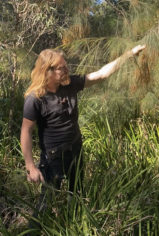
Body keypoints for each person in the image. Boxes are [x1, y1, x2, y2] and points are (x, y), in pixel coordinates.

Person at [20, 45, 145, 231]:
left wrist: (129, 54)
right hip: (53, 157)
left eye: (65, 65)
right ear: (48, 71)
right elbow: (26, 131)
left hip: (76, 148)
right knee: (46, 201)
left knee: (77, 192)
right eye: (61, 67)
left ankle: (73, 226)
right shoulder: (35, 98)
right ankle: (32, 232)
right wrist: (30, 166)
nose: (66, 69)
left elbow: (101, 74)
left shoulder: (70, 84)